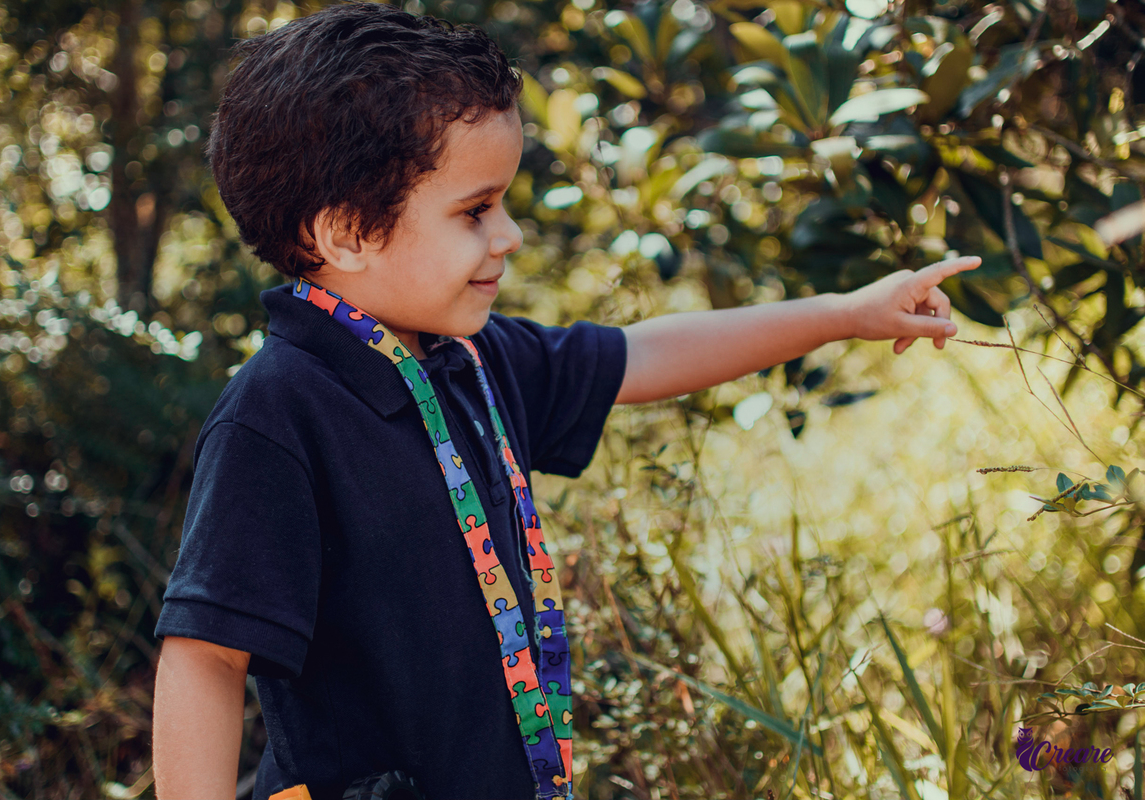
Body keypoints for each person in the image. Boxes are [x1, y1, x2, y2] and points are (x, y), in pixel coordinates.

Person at [149, 3, 980, 799]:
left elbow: (643, 352)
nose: (508, 235)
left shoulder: (471, 361)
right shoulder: (278, 413)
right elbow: (206, 658)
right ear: (347, 234)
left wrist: (843, 314)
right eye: (475, 210)